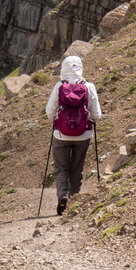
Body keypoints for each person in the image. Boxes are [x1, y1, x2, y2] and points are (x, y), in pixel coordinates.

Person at [45, 55, 102, 215]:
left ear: (64, 69)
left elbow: (49, 111)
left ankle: (62, 196)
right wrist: (92, 119)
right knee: (77, 168)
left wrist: (56, 119)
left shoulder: (59, 87)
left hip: (61, 134)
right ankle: (73, 200)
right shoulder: (89, 87)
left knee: (61, 168)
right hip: (83, 134)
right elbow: (96, 114)